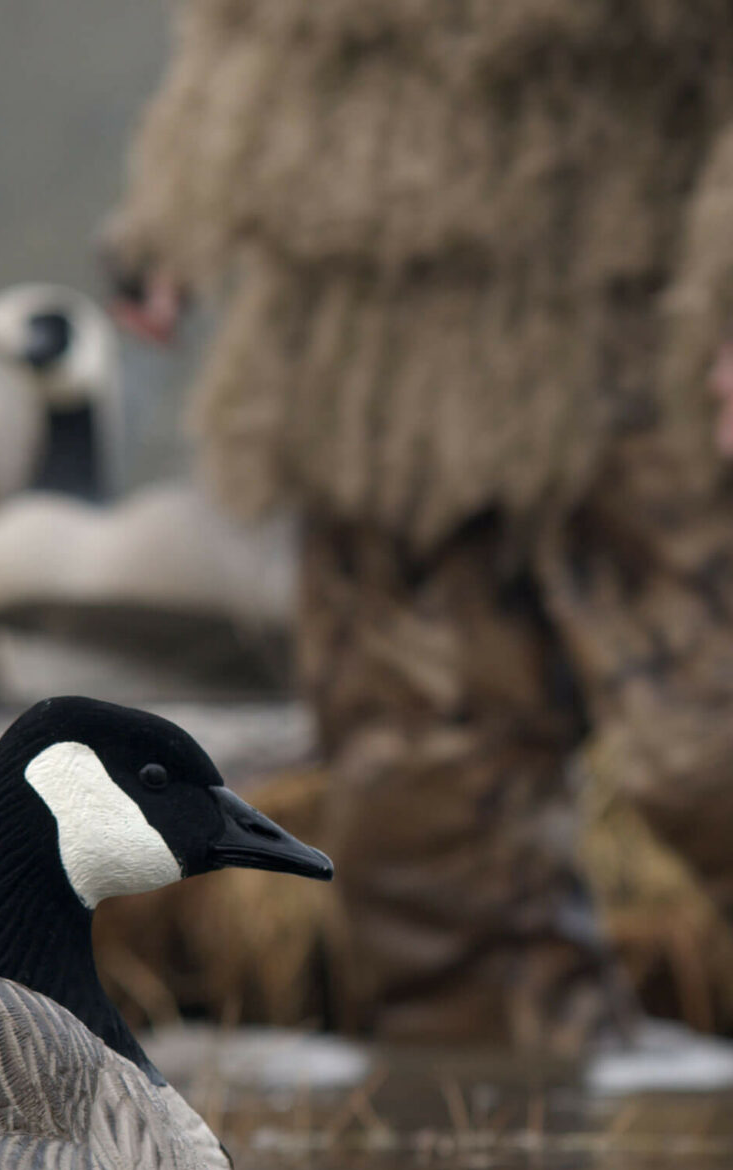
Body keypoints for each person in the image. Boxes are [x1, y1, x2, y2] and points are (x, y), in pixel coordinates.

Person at [105, 0, 733, 1054]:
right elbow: (248, 33)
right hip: (374, 377)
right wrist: (170, 223)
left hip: (647, 323)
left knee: (709, 751)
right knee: (428, 838)